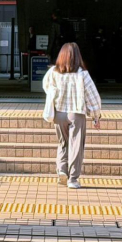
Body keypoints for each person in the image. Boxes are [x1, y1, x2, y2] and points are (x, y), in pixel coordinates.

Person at [42, 43, 102, 189]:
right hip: (76, 113)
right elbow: (93, 97)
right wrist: (95, 116)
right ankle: (73, 179)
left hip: (59, 113)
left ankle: (62, 170)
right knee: (76, 146)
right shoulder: (82, 74)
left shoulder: (53, 72)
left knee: (63, 143)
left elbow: (46, 87)